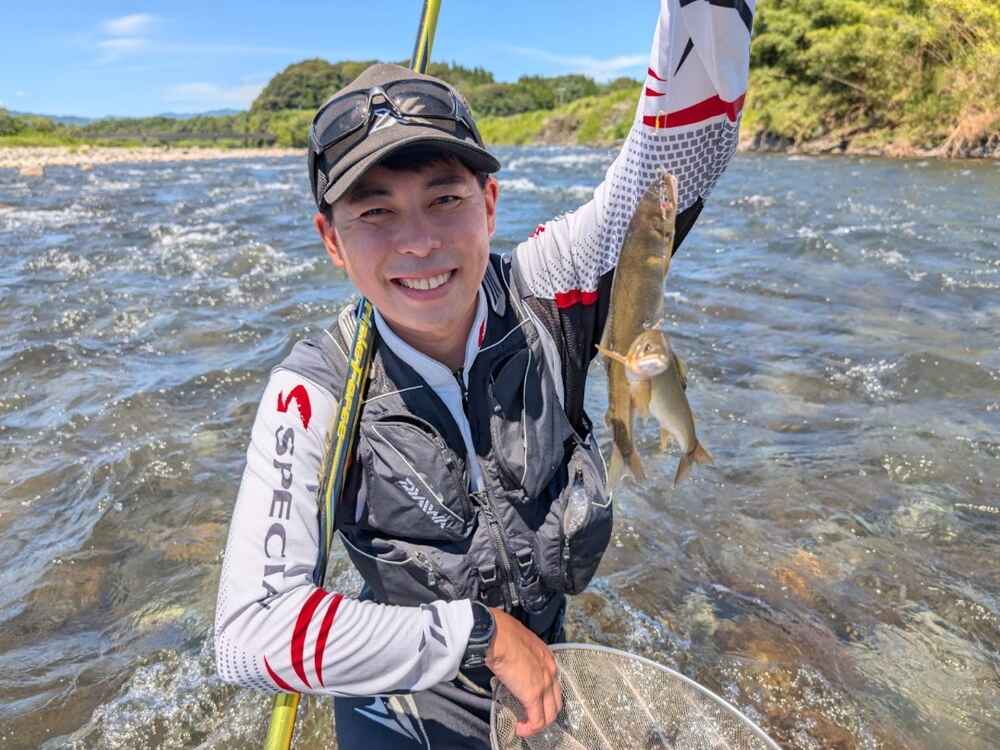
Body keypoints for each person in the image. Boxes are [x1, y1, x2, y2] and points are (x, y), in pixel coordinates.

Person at [214, 2, 754, 746]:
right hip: (407, 695)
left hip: (552, 658)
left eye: (445, 199)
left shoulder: (551, 288)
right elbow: (247, 636)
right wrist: (484, 637)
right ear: (331, 241)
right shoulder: (314, 392)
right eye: (375, 213)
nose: (419, 243)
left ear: (489, 204)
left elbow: (686, 149)